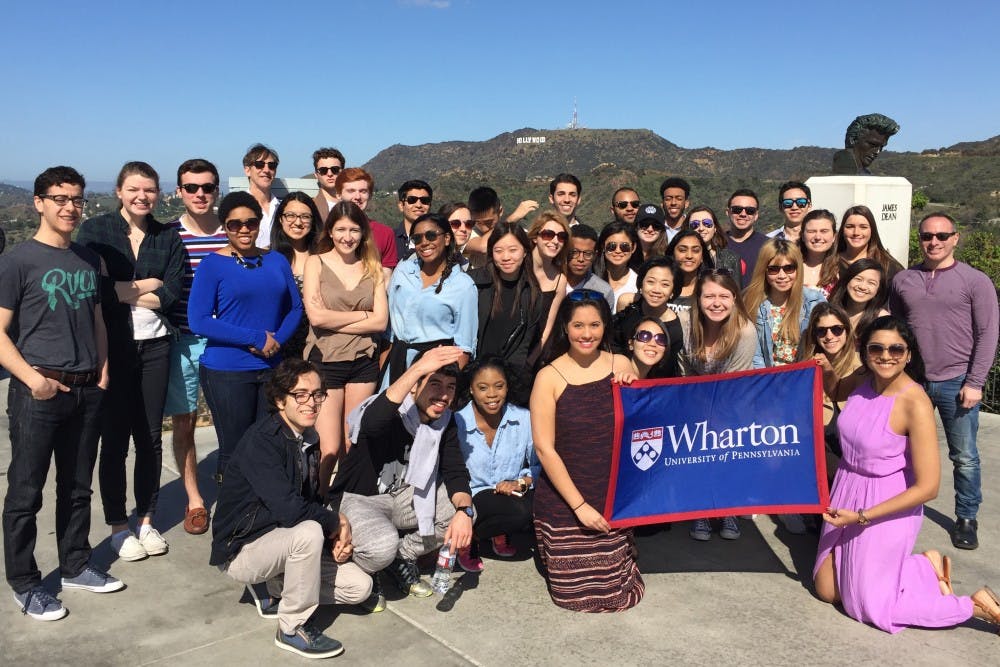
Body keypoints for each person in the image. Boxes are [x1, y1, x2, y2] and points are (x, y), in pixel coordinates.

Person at [813, 316, 1000, 633]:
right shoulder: (864, 377)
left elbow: (928, 488)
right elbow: (835, 390)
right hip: (846, 488)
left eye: (896, 349)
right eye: (877, 348)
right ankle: (924, 567)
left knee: (868, 606)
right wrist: (828, 370)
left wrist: (861, 516)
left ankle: (974, 604)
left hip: (885, 504)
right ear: (865, 352)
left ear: (909, 354)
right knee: (827, 589)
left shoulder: (916, 403)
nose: (886, 356)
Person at [1, 166, 123, 621]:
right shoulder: (17, 261)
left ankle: (74, 564)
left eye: (77, 199)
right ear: (39, 202)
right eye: (60, 198)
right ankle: (25, 583)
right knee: (26, 491)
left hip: (86, 389)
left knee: (77, 486)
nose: (70, 207)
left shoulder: (89, 259)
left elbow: (97, 320)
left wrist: (103, 370)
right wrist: (33, 380)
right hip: (39, 391)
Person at [210, 358, 371, 659]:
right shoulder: (262, 442)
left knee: (359, 588)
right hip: (242, 548)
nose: (311, 402)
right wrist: (335, 521)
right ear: (280, 400)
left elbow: (308, 501)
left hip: (281, 539)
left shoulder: (308, 437)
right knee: (309, 532)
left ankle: (275, 588)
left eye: (317, 394)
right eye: (300, 394)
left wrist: (335, 539)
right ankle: (292, 627)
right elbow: (291, 511)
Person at [77, 161, 185, 561]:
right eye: (134, 189)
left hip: (156, 345)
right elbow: (96, 290)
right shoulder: (96, 231)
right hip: (114, 345)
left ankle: (146, 519)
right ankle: (118, 527)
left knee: (150, 437)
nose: (143, 196)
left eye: (150, 190)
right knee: (115, 439)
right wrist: (146, 284)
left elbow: (171, 293)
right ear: (119, 191)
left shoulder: (166, 236)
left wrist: (127, 290)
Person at [890, 213, 1000, 550]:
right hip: (914, 381)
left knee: (964, 456)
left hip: (957, 380)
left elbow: (988, 334)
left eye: (941, 236)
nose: (933, 242)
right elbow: (897, 330)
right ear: (919, 239)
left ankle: (966, 517)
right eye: (927, 236)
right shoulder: (903, 280)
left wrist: (975, 382)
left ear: (955, 238)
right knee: (903, 451)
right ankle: (901, 508)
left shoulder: (975, 281)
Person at [331, 346, 474, 602]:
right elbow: (373, 423)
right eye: (435, 384)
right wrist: (419, 368)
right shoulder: (389, 411)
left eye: (450, 387)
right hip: (360, 500)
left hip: (403, 499)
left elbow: (455, 471)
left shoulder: (445, 422)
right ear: (413, 386)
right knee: (380, 547)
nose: (443, 395)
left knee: (462, 512)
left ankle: (402, 556)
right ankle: (367, 568)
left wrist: (465, 512)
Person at [531, 289, 644, 612]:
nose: (586, 334)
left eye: (595, 325)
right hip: (566, 499)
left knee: (618, 594)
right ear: (565, 327)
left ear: (605, 326)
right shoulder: (548, 377)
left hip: (612, 495)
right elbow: (544, 449)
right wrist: (580, 507)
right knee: (577, 596)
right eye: (578, 325)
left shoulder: (621, 363)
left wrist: (633, 386)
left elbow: (642, 428)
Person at [188, 191, 304, 484]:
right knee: (235, 449)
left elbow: (295, 308)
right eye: (234, 224)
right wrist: (254, 337)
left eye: (250, 222)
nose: (243, 229)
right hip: (227, 371)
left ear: (259, 223)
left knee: (268, 446)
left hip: (271, 367)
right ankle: (232, 508)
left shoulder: (276, 260)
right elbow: (198, 320)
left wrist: (276, 341)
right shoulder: (212, 265)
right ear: (224, 226)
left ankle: (262, 506)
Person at [302, 200, 387, 491]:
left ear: (363, 233)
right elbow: (316, 318)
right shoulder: (316, 263)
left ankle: (347, 500)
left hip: (363, 360)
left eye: (354, 230)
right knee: (329, 446)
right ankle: (317, 500)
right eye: (340, 229)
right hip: (326, 359)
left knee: (353, 440)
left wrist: (333, 318)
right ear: (330, 231)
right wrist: (363, 316)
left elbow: (380, 322)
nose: (347, 237)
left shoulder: (372, 267)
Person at [165, 158, 229, 535]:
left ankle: (236, 489)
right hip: (184, 339)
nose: (200, 194)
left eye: (207, 187)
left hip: (226, 340)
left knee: (233, 418)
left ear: (216, 190)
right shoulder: (169, 235)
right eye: (191, 187)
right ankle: (194, 499)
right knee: (184, 420)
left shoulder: (234, 230)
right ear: (180, 192)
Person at [680, 270, 756, 540]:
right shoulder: (685, 324)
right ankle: (701, 507)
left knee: (724, 448)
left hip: (732, 402)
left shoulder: (745, 331)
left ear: (734, 298)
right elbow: (684, 372)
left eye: (724, 296)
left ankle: (728, 508)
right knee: (696, 447)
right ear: (698, 299)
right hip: (694, 397)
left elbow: (734, 383)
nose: (716, 303)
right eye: (709, 296)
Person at [454, 356, 539, 572]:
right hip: (472, 495)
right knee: (517, 512)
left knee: (538, 503)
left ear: (507, 387)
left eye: (499, 386)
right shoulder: (457, 422)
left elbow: (538, 466)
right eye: (483, 388)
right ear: (471, 389)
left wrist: (520, 482)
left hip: (510, 491)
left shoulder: (523, 418)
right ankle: (467, 538)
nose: (492, 394)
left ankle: (497, 532)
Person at [384, 213, 477, 388]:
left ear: (447, 238)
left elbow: (464, 347)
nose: (424, 242)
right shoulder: (403, 270)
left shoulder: (463, 285)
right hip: (396, 362)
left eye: (431, 236)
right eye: (417, 238)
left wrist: (446, 386)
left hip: (434, 371)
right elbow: (389, 332)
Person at [469, 223, 545, 392]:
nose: (506, 257)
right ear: (491, 252)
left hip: (507, 382)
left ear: (525, 252)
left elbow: (524, 346)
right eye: (498, 251)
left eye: (513, 250)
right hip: (470, 375)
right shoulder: (473, 283)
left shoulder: (533, 294)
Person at [743, 239, 826, 369]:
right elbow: (755, 356)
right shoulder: (751, 303)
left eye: (789, 268)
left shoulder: (814, 301)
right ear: (764, 270)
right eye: (774, 269)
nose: (782, 276)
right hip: (768, 376)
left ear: (798, 269)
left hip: (805, 374)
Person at [798, 303, 861, 472]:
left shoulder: (863, 366)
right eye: (821, 331)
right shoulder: (807, 368)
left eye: (836, 329)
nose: (829, 336)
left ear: (847, 331)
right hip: (821, 456)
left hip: (855, 455)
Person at [270, 192, 322, 360]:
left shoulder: (325, 256)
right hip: (279, 342)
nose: (298, 222)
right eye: (291, 215)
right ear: (280, 219)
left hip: (318, 342)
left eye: (305, 216)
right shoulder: (267, 257)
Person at [613, 257, 683, 378]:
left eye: (665, 284)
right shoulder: (627, 303)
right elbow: (615, 342)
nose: (656, 290)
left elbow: (666, 370)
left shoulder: (674, 329)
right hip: (617, 373)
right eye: (651, 282)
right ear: (641, 284)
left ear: (673, 291)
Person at [333, 167, 398, 283]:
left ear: (370, 195)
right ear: (338, 195)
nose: (357, 197)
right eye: (351, 191)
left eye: (363, 191)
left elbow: (386, 278)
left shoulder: (385, 233)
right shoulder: (329, 231)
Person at [527, 210, 571, 344]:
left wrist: (534, 355)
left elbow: (547, 328)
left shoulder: (560, 280)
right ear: (535, 237)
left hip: (536, 349)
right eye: (548, 234)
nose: (555, 241)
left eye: (561, 236)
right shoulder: (519, 267)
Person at [835, 205, 904, 281]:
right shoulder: (831, 262)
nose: (856, 232)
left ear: (872, 230)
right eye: (850, 227)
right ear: (842, 230)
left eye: (863, 227)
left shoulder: (887, 266)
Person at [828, 258, 889, 339]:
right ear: (847, 280)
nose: (862, 287)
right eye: (858, 279)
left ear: (878, 289)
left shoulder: (882, 319)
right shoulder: (829, 311)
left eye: (871, 283)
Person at [564, 223, 615, 311]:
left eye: (588, 254)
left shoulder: (603, 291)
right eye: (574, 252)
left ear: (595, 255)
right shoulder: (551, 280)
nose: (581, 259)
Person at [725, 189, 768, 287]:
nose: (743, 214)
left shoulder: (768, 246)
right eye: (737, 209)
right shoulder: (716, 243)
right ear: (728, 212)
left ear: (756, 215)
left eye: (750, 211)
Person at [832, 113, 900, 175]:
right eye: (873, 145)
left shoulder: (865, 174)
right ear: (853, 140)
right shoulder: (843, 169)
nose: (877, 152)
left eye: (881, 147)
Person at [594, 222, 639, 314]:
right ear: (603, 247)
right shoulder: (590, 277)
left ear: (633, 248)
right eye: (611, 246)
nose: (618, 251)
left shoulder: (638, 283)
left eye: (624, 246)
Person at [242, 143, 280, 249]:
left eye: (272, 165)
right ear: (247, 170)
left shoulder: (283, 207)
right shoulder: (238, 206)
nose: (266, 170)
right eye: (259, 164)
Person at [666, 229, 714, 314]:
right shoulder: (661, 287)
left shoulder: (710, 289)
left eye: (695, 251)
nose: (689, 256)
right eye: (682, 250)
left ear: (702, 257)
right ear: (673, 254)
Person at [687, 206, 740, 279]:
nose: (701, 228)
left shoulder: (731, 258)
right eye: (694, 224)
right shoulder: (680, 257)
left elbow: (736, 285)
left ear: (715, 228)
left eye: (707, 223)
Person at [798, 209, 839, 296]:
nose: (817, 237)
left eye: (824, 231)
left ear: (834, 236)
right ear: (802, 236)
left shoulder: (841, 269)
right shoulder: (790, 267)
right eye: (811, 231)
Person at [393, 179, 433, 262]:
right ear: (401, 205)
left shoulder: (437, 239)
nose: (418, 205)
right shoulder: (390, 239)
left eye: (424, 200)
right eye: (412, 200)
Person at [464, 186, 504, 270]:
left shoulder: (515, 232)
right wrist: (511, 219)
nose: (484, 228)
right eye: (478, 222)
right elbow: (483, 247)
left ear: (500, 211)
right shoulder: (466, 233)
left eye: (489, 222)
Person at [311, 147, 345, 222]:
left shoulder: (353, 204)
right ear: (316, 175)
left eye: (335, 169)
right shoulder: (309, 207)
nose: (329, 174)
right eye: (323, 170)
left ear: (342, 172)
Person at [659, 177, 691, 241]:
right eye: (668, 199)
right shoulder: (656, 228)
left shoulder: (693, 227)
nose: (673, 203)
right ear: (662, 203)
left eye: (679, 199)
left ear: (686, 203)